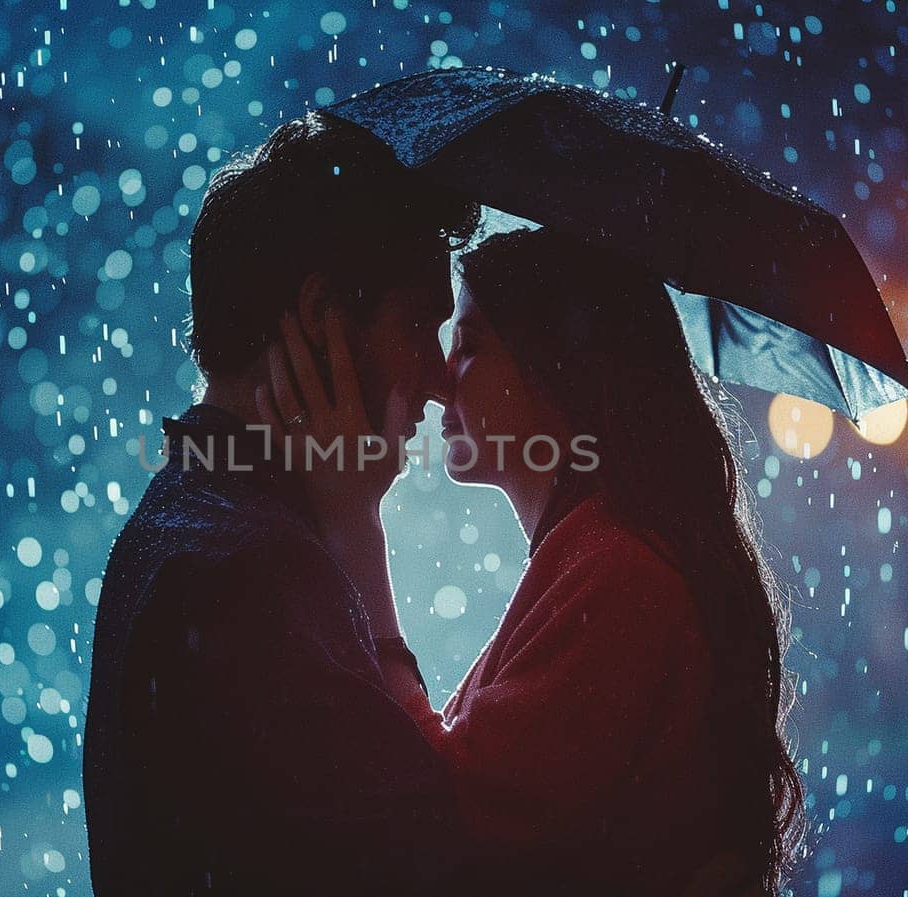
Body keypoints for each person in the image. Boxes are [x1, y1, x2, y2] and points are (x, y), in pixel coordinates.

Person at [259, 226, 808, 896]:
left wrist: (355, 526)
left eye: (470, 344)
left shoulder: (621, 574)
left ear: (558, 369)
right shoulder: (594, 557)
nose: (437, 378)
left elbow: (446, 819)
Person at [82, 111, 481, 896]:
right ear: (322, 315)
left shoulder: (187, 520)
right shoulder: (256, 569)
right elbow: (432, 855)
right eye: (417, 324)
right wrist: (356, 528)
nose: (440, 382)